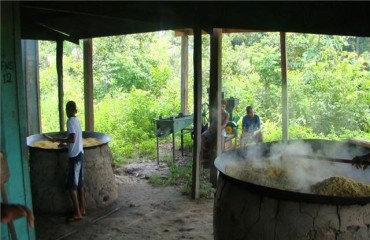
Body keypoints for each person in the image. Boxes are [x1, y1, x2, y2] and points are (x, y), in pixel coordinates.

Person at [52, 101, 85, 222]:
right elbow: (74, 139)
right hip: (80, 153)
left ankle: (77, 213)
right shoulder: (77, 120)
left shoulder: (70, 121)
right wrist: (64, 142)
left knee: (72, 186)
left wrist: (57, 139)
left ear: (68, 110)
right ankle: (82, 208)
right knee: (80, 184)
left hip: (74, 156)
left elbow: (72, 138)